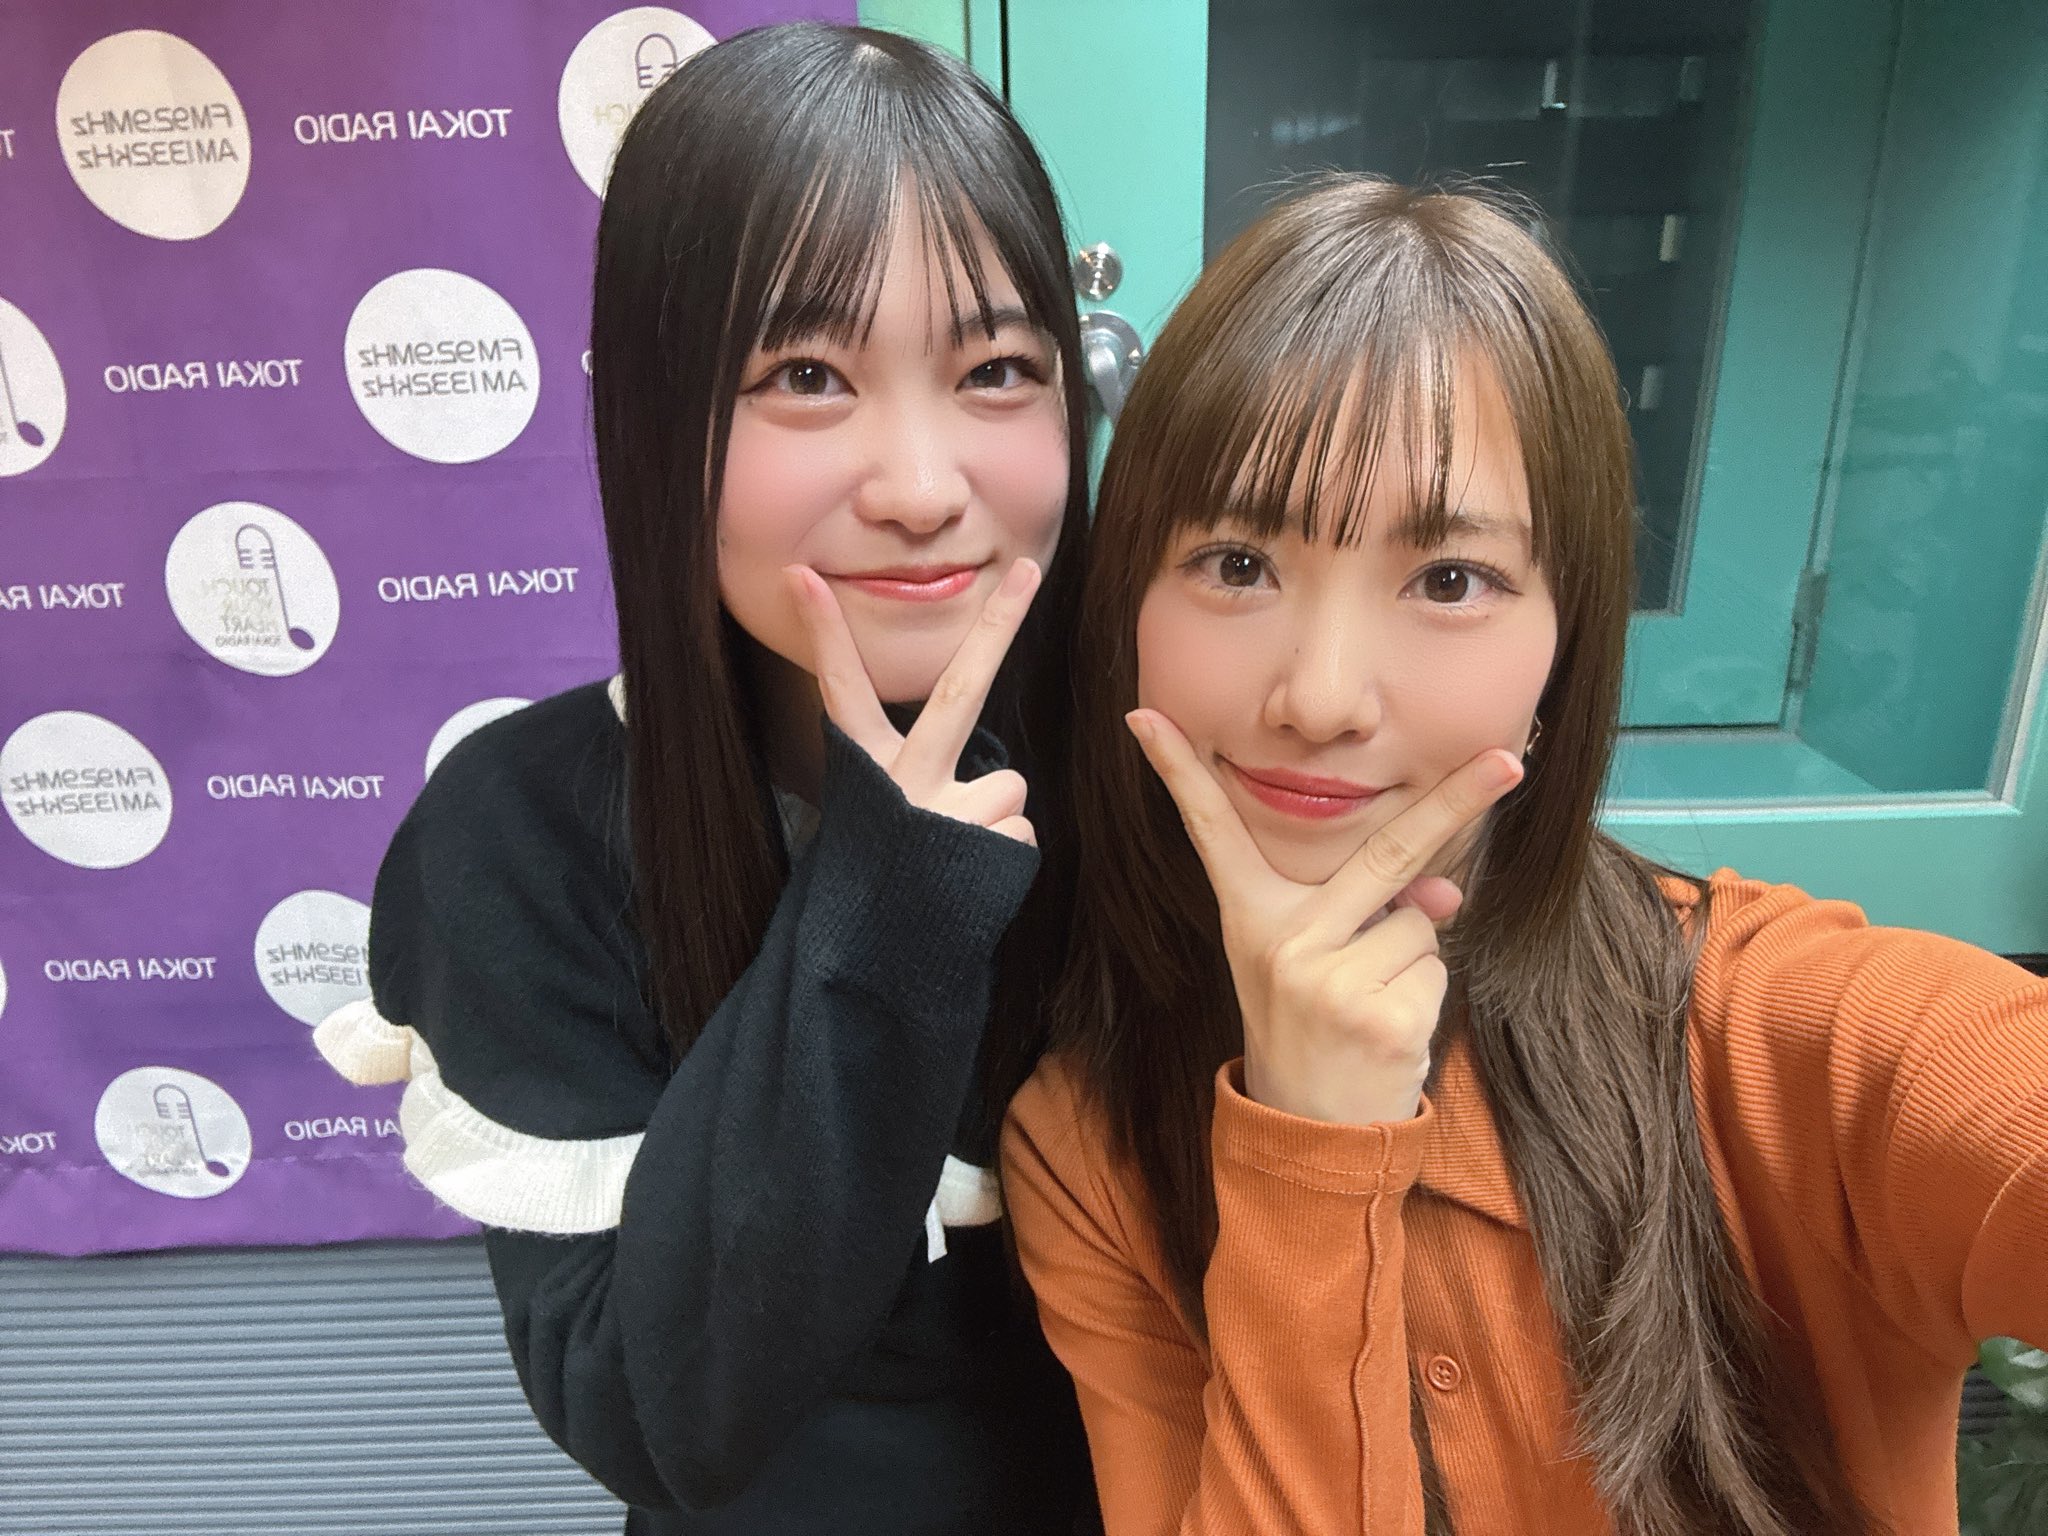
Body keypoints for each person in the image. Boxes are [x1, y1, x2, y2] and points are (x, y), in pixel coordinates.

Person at [1002, 175, 2048, 1536]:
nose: (1320, 697)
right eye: (1236, 562)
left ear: (1566, 644)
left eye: (1450, 581)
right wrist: (1311, 1146)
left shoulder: (1780, 1033)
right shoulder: (1093, 1149)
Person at [314, 23, 1095, 1534]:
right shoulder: (518, 832)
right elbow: (659, 1423)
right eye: (807, 374)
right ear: (655, 414)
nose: (922, 486)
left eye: (997, 370)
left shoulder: (1144, 782)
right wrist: (887, 912)